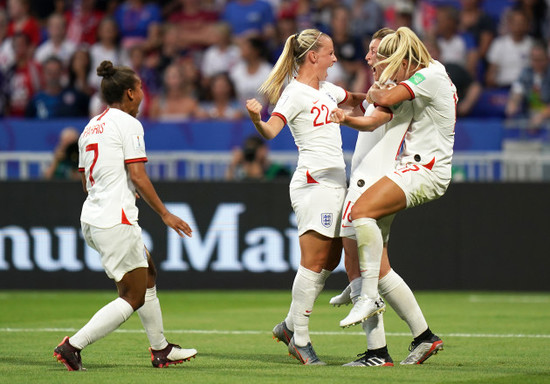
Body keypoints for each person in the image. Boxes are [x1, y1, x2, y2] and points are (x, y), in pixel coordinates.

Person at [53, 60, 197, 371]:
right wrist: (165, 214)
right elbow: (139, 175)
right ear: (130, 93)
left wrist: (117, 186)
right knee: (133, 297)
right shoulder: (129, 124)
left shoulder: (91, 126)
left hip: (93, 216)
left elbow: (85, 180)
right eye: (141, 89)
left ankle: (161, 348)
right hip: (115, 219)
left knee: (148, 275)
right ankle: (72, 346)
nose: (144, 94)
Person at [336, 26, 455, 364]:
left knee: (361, 214)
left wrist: (365, 97)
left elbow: (383, 101)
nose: (377, 64)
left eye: (385, 58)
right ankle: (424, 337)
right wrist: (366, 93)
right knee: (378, 261)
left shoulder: (429, 75)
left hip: (423, 169)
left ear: (402, 58)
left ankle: (370, 301)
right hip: (411, 169)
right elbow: (381, 98)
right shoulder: (428, 77)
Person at [245, 28, 365, 365]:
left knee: (330, 259)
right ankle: (299, 337)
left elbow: (355, 99)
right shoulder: (294, 93)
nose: (335, 58)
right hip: (314, 183)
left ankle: (288, 325)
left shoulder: (326, 89)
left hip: (335, 183)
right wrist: (256, 118)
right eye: (330, 53)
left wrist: (380, 95)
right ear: (313, 56)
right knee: (313, 261)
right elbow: (270, 130)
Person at [506, 41, 550, 130]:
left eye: (540, 60)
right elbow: (517, 90)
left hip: (546, 116)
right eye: (533, 59)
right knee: (510, 125)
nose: (536, 63)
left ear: (547, 59)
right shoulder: (525, 73)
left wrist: (542, 116)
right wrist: (513, 103)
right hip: (528, 115)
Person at [225, 134, 290, 180]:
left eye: (255, 150)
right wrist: (232, 166)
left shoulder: (280, 171)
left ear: (264, 149)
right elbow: (229, 191)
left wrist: (258, 176)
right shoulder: (244, 173)